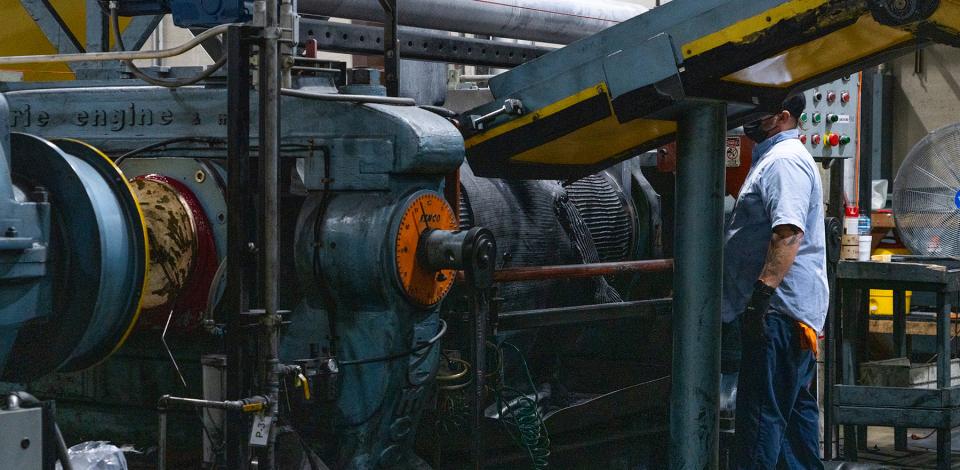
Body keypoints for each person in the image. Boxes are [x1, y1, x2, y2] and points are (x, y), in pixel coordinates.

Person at [725, 94, 829, 469]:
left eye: (761, 114)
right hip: (789, 317)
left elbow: (787, 233)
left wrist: (760, 298)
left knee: (759, 425)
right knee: (793, 434)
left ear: (783, 117)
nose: (751, 119)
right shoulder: (776, 157)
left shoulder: (785, 161)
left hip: (778, 315)